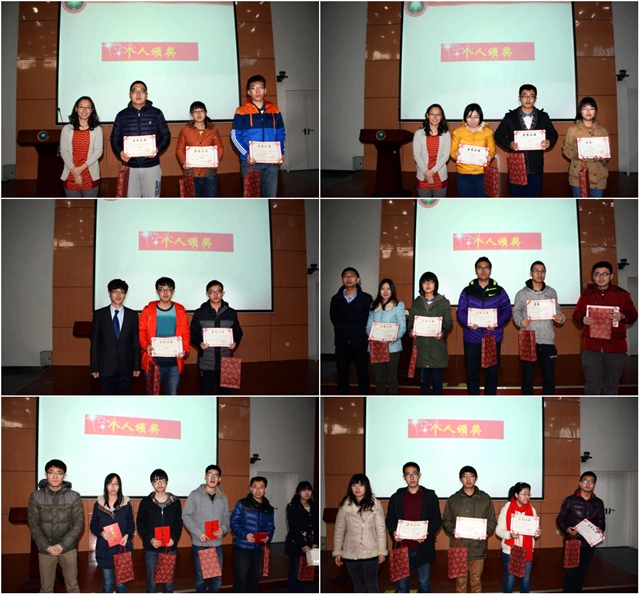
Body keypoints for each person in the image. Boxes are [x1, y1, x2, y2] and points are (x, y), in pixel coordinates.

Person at [573, 261, 637, 394]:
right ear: (593, 276)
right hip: (591, 348)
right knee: (591, 385)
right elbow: (576, 314)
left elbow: (633, 315)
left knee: (612, 385)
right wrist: (582, 319)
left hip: (615, 348)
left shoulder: (622, 295)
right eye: (597, 274)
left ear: (611, 276)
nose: (600, 277)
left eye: (605, 274)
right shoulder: (587, 295)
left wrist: (623, 316)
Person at [456, 257, 512, 395]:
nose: (483, 270)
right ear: (476, 271)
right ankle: (473, 401)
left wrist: (496, 322)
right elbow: (460, 311)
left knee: (491, 375)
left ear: (490, 271)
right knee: (472, 375)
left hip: (492, 338)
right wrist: (468, 323)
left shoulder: (499, 291)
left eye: (486, 267)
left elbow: (507, 310)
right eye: (480, 267)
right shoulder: (467, 291)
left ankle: (489, 401)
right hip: (472, 339)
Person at [27, 459, 84, 593]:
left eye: (59, 473)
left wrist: (62, 545)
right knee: (46, 589)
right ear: (45, 474)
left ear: (64, 476)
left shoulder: (74, 496)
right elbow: (33, 524)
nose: (55, 476)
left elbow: (78, 524)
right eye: (51, 472)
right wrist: (46, 546)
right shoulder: (36, 496)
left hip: (68, 548)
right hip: (45, 549)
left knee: (73, 587)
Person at [386, 462, 442, 593]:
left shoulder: (430, 496)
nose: (412, 477)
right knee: (402, 585)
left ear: (420, 475)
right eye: (408, 474)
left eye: (414, 474)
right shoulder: (396, 497)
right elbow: (390, 520)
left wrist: (427, 533)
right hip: (402, 548)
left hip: (423, 547)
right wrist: (393, 532)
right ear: (403, 477)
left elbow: (437, 520)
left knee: (424, 583)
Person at [494, 84, 559, 197]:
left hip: (536, 166)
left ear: (535, 99)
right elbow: (498, 134)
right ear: (519, 98)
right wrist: (509, 144)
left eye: (531, 96)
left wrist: (549, 142)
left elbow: (554, 134)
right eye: (525, 96)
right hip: (516, 166)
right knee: (517, 199)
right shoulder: (510, 117)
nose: (528, 99)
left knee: (534, 198)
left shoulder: (543, 116)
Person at [110, 80, 171, 197]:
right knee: (131, 201)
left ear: (146, 95)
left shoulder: (156, 113)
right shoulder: (121, 115)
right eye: (135, 91)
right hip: (129, 167)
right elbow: (114, 138)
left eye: (141, 91)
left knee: (152, 199)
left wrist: (157, 149)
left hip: (151, 166)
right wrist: (119, 152)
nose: (138, 94)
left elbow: (166, 135)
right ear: (130, 95)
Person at [512, 261, 565, 394]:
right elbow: (516, 312)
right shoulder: (522, 294)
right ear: (531, 273)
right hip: (528, 338)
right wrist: (520, 322)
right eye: (536, 271)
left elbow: (557, 310)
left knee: (549, 378)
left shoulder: (551, 292)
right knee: (527, 377)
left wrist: (561, 318)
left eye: (542, 271)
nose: (539, 274)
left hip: (547, 340)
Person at [442, 466, 497, 593]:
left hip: (478, 547)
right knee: (460, 582)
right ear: (460, 479)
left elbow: (492, 520)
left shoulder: (485, 498)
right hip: (459, 546)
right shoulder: (453, 499)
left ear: (476, 478)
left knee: (476, 581)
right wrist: (453, 530)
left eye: (471, 476)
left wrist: (484, 531)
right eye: (464, 476)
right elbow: (446, 520)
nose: (468, 479)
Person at [231, 74, 286, 197]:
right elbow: (234, 136)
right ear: (248, 92)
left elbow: (281, 133)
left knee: (271, 196)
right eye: (253, 88)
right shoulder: (241, 111)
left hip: (271, 163)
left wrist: (281, 152)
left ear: (265, 90)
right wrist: (246, 154)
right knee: (252, 198)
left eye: (260, 87)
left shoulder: (275, 110)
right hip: (250, 163)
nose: (257, 91)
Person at [332, 474, 387, 593]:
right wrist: (337, 551)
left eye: (361, 485)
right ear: (350, 487)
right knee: (358, 585)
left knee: (372, 584)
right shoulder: (345, 505)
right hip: (350, 551)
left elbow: (381, 529)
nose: (357, 488)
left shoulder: (375, 504)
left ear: (366, 487)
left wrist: (382, 551)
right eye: (354, 485)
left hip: (371, 550)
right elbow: (339, 530)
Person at [190, 280, 243, 395]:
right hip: (206, 361)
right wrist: (199, 343)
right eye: (212, 292)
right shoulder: (199, 313)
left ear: (223, 293)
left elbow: (238, 332)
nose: (215, 295)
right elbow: (193, 333)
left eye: (218, 292)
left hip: (226, 360)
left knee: (225, 393)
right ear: (207, 294)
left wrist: (235, 342)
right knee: (205, 392)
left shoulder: (231, 313)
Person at [183, 465, 230, 593]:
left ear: (219, 479)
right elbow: (186, 516)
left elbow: (227, 517)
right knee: (200, 578)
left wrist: (223, 529)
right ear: (205, 477)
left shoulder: (223, 497)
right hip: (200, 543)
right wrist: (199, 533)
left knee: (217, 578)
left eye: (216, 475)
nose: (212, 478)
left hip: (216, 544)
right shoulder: (194, 495)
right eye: (210, 474)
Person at [139, 277, 190, 395]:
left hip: (174, 363)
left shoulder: (180, 310)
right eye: (162, 289)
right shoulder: (148, 310)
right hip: (153, 361)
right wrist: (146, 346)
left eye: (169, 289)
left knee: (172, 395)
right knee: (152, 395)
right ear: (157, 292)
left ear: (173, 291)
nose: (165, 293)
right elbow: (142, 332)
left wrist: (185, 350)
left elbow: (186, 334)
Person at [556, 471, 606, 593]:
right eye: (585, 481)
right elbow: (560, 519)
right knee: (571, 574)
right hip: (573, 542)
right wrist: (567, 529)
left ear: (594, 485)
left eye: (591, 482)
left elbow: (602, 522)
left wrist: (600, 529)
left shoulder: (598, 502)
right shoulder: (570, 501)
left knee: (582, 574)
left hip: (589, 544)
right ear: (580, 483)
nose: (588, 484)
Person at [90, 278, 141, 394]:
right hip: (105, 367)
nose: (118, 295)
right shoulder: (99, 314)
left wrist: (136, 366)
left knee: (125, 399)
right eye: (115, 291)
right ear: (109, 293)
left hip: (126, 367)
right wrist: (94, 367)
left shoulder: (132, 315)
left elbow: (135, 342)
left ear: (125, 294)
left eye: (122, 292)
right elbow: (95, 343)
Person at [136, 469, 183, 593]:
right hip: (152, 549)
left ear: (167, 482)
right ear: (152, 484)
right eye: (156, 481)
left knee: (168, 584)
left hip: (169, 548)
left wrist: (173, 538)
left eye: (162, 480)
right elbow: (140, 524)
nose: (159, 483)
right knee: (152, 584)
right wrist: (150, 539)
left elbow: (179, 523)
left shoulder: (175, 502)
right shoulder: (146, 502)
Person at [330, 267, 373, 395]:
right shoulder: (336, 299)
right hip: (342, 342)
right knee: (342, 372)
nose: (349, 278)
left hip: (360, 341)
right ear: (342, 280)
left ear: (358, 279)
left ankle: (364, 395)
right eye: (345, 276)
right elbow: (334, 318)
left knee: (362, 372)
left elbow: (370, 318)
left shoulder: (366, 298)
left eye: (352, 276)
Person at [408, 271, 453, 395]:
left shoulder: (443, 302)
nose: (428, 285)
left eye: (431, 282)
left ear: (435, 284)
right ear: (421, 285)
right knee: (424, 382)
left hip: (437, 348)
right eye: (425, 282)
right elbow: (411, 322)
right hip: (421, 348)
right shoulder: (416, 302)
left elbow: (448, 322)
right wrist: (411, 331)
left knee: (437, 381)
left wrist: (442, 332)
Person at [90, 473, 135, 593]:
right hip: (104, 549)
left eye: (116, 484)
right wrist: (102, 534)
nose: (113, 487)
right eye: (110, 484)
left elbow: (131, 524)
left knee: (121, 584)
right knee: (107, 583)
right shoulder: (98, 505)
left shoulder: (126, 504)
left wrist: (127, 535)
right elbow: (93, 525)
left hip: (121, 548)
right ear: (106, 486)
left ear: (120, 486)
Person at [230, 476, 276, 593]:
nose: (258, 490)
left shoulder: (269, 508)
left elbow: (271, 527)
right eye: (255, 487)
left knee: (254, 579)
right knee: (240, 578)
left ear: (265, 489)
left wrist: (268, 537)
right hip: (243, 547)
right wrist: (245, 534)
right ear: (250, 488)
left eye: (261, 487)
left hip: (259, 548)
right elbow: (234, 522)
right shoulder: (242, 503)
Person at [495, 482, 541, 593]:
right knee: (510, 578)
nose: (527, 497)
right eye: (524, 494)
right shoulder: (507, 509)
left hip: (527, 550)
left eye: (528, 494)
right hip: (510, 550)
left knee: (525, 579)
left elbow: (534, 531)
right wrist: (509, 534)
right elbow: (498, 530)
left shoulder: (532, 510)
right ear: (516, 494)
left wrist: (537, 533)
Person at [365, 278, 407, 394]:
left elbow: (402, 327)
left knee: (391, 378)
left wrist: (391, 339)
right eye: (382, 289)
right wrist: (372, 336)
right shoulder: (373, 305)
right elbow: (368, 325)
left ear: (392, 290)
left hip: (392, 347)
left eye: (388, 289)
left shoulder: (398, 305)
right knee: (379, 378)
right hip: (376, 346)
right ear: (379, 290)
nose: (385, 291)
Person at [562, 97, 609, 197]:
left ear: (595, 111)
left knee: (595, 203)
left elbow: (608, 150)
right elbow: (566, 149)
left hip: (599, 176)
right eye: (585, 108)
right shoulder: (573, 130)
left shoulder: (602, 130)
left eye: (591, 108)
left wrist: (603, 157)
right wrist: (577, 155)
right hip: (578, 176)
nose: (588, 111)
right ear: (580, 111)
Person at [176, 101, 224, 197]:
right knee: (191, 203)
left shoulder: (213, 129)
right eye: (195, 111)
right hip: (191, 173)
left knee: (210, 203)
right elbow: (179, 149)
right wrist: (184, 162)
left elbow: (220, 148)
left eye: (201, 111)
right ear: (191, 114)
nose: (199, 114)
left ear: (205, 113)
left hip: (209, 173)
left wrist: (216, 160)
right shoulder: (185, 130)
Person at [60, 96, 103, 197]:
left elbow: (98, 151)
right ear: (76, 109)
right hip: (70, 174)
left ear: (92, 110)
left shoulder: (97, 129)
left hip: (90, 175)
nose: (84, 110)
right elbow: (64, 151)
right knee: (74, 204)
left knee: (90, 203)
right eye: (81, 107)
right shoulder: (67, 129)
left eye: (88, 107)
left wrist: (80, 169)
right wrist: (75, 172)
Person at [450, 103, 496, 197]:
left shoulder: (488, 132)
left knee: (481, 201)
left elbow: (492, 150)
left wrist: (490, 156)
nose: (472, 120)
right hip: (463, 174)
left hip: (482, 174)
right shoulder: (457, 132)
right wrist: (456, 154)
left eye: (476, 117)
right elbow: (452, 153)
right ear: (465, 117)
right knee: (466, 201)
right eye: (469, 117)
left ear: (480, 117)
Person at [284, 481, 319, 593]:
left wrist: (315, 543)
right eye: (304, 490)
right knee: (295, 570)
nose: (307, 492)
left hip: (310, 544)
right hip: (296, 544)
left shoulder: (314, 506)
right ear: (298, 492)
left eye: (309, 490)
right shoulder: (292, 507)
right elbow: (293, 528)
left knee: (304, 571)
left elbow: (316, 526)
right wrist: (303, 545)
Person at [413, 104, 451, 197]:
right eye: (432, 114)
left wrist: (431, 172)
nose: (435, 117)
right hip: (423, 176)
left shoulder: (446, 134)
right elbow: (417, 155)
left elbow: (446, 156)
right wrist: (427, 173)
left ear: (442, 117)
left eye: (438, 114)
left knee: (440, 204)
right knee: (425, 203)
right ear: (427, 115)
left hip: (439, 176)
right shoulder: (419, 133)